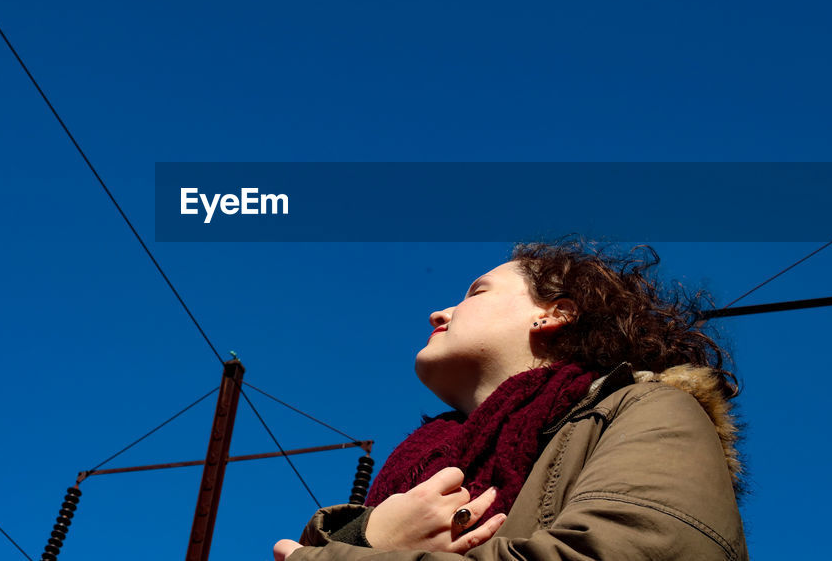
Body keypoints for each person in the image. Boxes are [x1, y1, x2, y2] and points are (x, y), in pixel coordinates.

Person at [273, 239, 747, 561]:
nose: (439, 312)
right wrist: (366, 537)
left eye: (476, 292)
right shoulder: (418, 464)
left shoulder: (650, 411)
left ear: (553, 314)